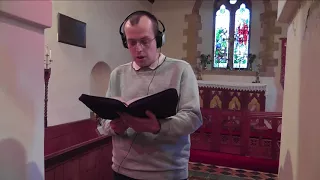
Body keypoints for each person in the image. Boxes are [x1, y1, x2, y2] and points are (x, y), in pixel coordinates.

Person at [97, 10, 203, 180]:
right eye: (132, 43)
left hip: (167, 172)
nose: (138, 49)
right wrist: (113, 127)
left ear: (159, 39)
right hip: (123, 170)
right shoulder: (117, 74)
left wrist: (157, 126)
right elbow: (104, 120)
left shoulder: (181, 69)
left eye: (145, 41)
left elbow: (193, 118)